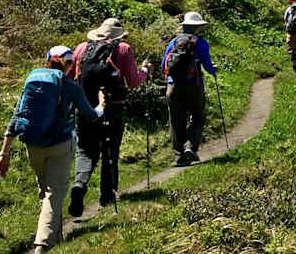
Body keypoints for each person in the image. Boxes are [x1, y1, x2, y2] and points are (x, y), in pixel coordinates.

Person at [0, 46, 103, 254]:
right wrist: (101, 105)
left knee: (46, 189)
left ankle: (56, 235)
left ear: (47, 61)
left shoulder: (33, 81)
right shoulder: (71, 86)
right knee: (54, 194)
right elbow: (90, 114)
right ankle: (42, 245)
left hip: (33, 145)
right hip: (60, 145)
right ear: (70, 65)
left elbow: (17, 116)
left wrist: (4, 153)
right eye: (72, 63)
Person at [68, 18, 149, 217]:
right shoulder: (123, 49)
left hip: (85, 108)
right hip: (113, 108)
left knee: (85, 151)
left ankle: (79, 184)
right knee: (110, 150)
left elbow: (70, 78)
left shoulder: (80, 49)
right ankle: (107, 196)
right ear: (118, 35)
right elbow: (133, 82)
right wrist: (145, 72)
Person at [161, 12, 218, 167]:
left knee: (176, 120)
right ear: (198, 27)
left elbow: (163, 64)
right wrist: (213, 70)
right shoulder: (201, 43)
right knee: (198, 116)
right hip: (194, 85)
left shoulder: (174, 42)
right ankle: (190, 148)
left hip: (173, 86)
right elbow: (207, 66)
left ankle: (179, 155)